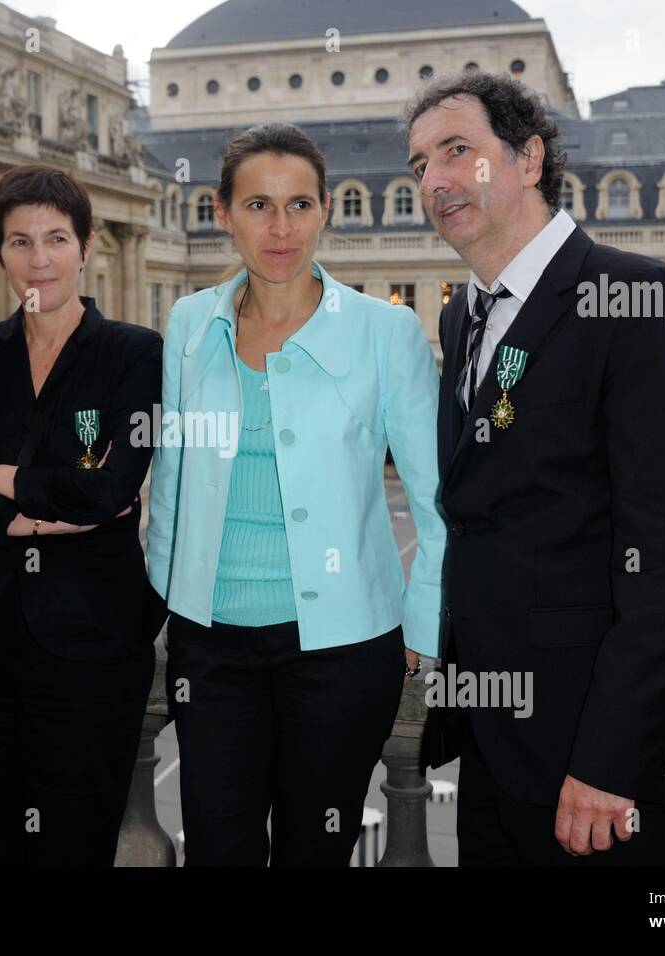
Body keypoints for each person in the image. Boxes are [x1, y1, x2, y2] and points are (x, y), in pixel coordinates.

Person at [406, 72, 665, 865]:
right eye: (420, 163)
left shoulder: (641, 302)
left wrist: (608, 762)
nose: (434, 180)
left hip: (602, 769)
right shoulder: (464, 313)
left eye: (458, 151)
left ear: (529, 159)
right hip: (495, 747)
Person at [146, 122, 445, 866]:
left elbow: (436, 496)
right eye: (257, 206)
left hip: (343, 650)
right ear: (222, 212)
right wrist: (166, 599)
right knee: (219, 847)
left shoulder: (386, 331)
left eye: (300, 205)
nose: (281, 228)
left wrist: (420, 629)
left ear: (325, 211)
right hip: (210, 644)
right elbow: (173, 479)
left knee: (317, 849)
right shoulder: (189, 323)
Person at [0, 164, 162, 866]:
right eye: (20, 241)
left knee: (75, 838)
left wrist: (5, 485)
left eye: (57, 238)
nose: (39, 258)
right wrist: (36, 516)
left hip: (94, 640)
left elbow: (113, 489)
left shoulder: (134, 353)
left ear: (87, 249)